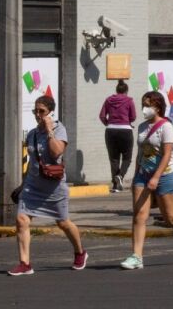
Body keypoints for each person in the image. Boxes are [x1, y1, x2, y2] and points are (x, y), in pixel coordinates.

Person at [9, 95, 87, 276]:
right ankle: (25, 263)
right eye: (35, 111)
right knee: (21, 220)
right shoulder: (32, 134)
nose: (37, 114)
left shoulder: (59, 129)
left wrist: (50, 130)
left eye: (41, 111)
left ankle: (80, 252)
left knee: (63, 223)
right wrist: (22, 184)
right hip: (32, 186)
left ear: (50, 112)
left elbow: (56, 152)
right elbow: (31, 162)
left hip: (54, 187)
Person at [121, 90, 173, 270]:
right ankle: (136, 256)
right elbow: (140, 152)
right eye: (143, 105)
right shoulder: (141, 127)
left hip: (165, 176)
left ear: (157, 107)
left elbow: (167, 153)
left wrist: (156, 177)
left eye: (148, 105)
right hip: (143, 174)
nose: (144, 108)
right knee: (139, 216)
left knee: (170, 217)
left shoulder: (166, 127)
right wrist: (136, 175)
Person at [99, 81, 136, 192]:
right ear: (126, 90)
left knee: (114, 159)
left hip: (110, 130)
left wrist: (108, 123)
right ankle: (120, 176)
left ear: (117, 90)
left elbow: (101, 116)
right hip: (125, 130)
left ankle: (116, 186)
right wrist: (126, 121)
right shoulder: (129, 101)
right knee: (127, 158)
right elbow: (133, 117)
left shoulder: (108, 100)